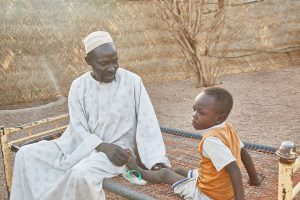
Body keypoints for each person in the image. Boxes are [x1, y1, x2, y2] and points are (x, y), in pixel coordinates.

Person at [10, 31, 170, 200]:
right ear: (88, 61)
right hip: (79, 146)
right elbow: (78, 128)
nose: (111, 68)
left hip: (117, 152)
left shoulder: (132, 82)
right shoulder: (79, 86)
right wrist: (102, 146)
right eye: (103, 63)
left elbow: (148, 123)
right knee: (25, 154)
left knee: (81, 174)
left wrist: (155, 160)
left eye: (115, 61)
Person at [127, 87, 263, 200]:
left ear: (219, 118)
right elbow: (243, 152)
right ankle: (155, 169)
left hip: (209, 194)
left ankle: (137, 170)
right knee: (179, 171)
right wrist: (254, 179)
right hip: (221, 184)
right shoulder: (227, 128)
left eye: (201, 112)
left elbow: (234, 169)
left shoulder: (211, 140)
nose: (194, 115)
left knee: (165, 175)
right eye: (194, 109)